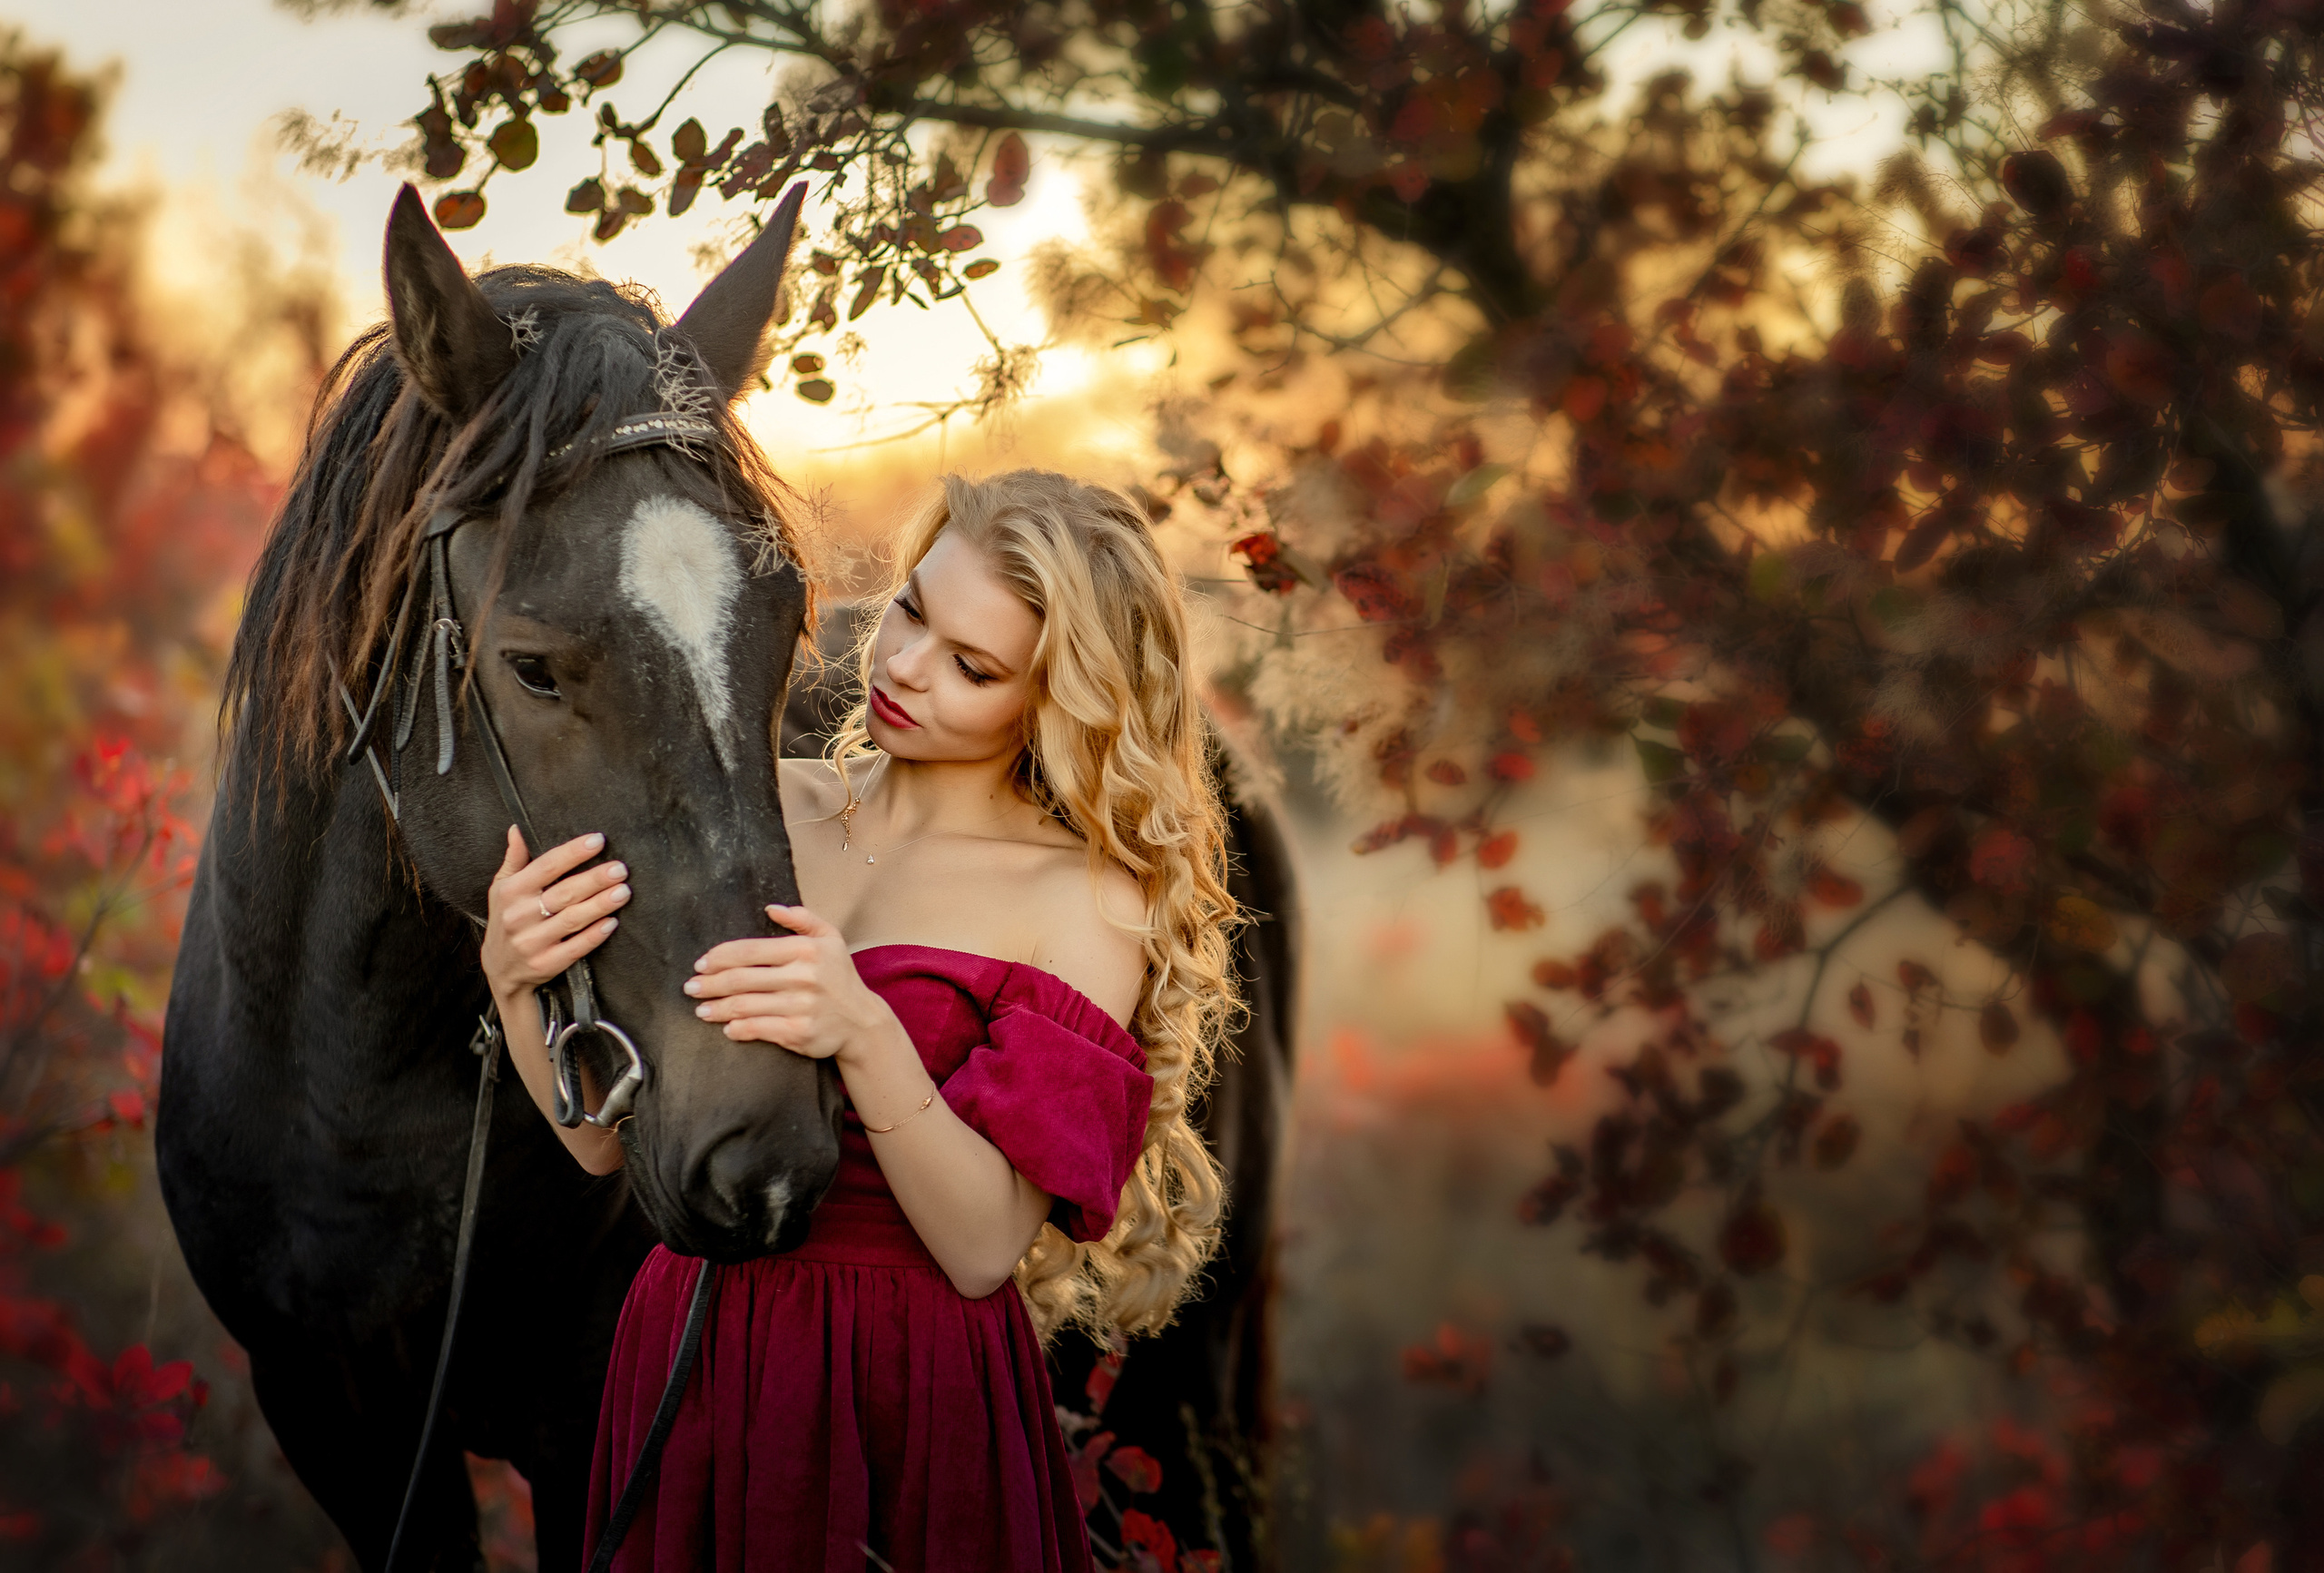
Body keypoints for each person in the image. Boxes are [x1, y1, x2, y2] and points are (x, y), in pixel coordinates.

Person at [478, 469, 1239, 1571]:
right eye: (913, 610)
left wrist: (864, 1031)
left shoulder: (1082, 900)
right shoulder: (754, 808)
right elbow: (603, 1144)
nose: (904, 666)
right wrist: (516, 981)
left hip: (908, 1373)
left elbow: (982, 1249)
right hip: (691, 1336)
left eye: (974, 667)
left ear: (1058, 701)